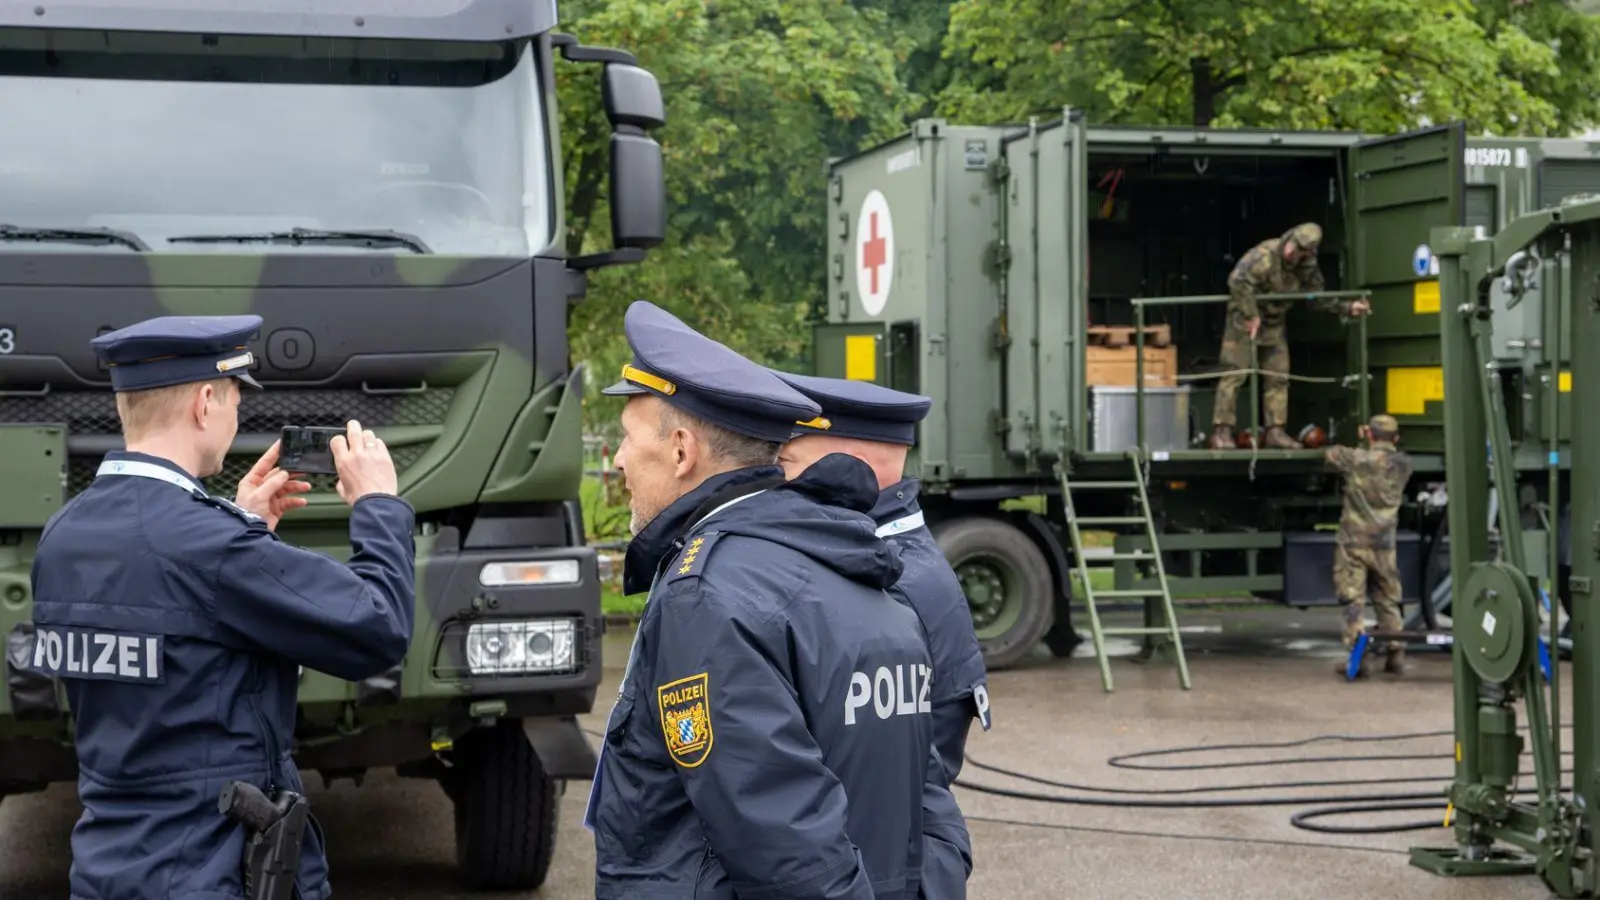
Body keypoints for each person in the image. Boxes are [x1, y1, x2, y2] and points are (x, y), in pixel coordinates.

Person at [27, 314, 416, 900]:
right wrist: (380, 506)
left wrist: (241, 524)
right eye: (235, 398)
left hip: (108, 867)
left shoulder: (63, 534)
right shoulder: (213, 547)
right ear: (205, 403)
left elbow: (169, 627)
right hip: (208, 870)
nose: (236, 417)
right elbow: (378, 627)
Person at [586, 300, 964, 900]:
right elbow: (930, 803)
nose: (619, 459)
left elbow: (784, 846)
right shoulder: (848, 562)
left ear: (682, 451)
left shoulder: (707, 595)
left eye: (628, 439)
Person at [769, 371, 985, 900]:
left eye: (788, 464)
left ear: (851, 466)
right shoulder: (884, 555)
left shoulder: (894, 579)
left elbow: (898, 786)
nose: (777, 481)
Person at [1208, 223, 1372, 450]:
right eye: (1292, 245)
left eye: (1299, 250)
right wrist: (1251, 314)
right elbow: (1237, 281)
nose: (1290, 252)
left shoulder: (1307, 267)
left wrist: (1346, 307)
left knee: (1278, 377)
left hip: (1274, 324)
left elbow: (1316, 296)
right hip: (1244, 322)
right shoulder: (1264, 254)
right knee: (1234, 374)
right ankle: (1222, 431)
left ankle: (1276, 430)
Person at [1324, 414, 1414, 678]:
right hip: (1385, 542)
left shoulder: (1356, 459)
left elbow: (1331, 454)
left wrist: (1360, 441)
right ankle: (1396, 652)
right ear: (1396, 438)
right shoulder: (1404, 464)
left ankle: (1358, 658)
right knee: (1387, 597)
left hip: (1354, 542)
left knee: (1354, 600)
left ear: (1369, 434)